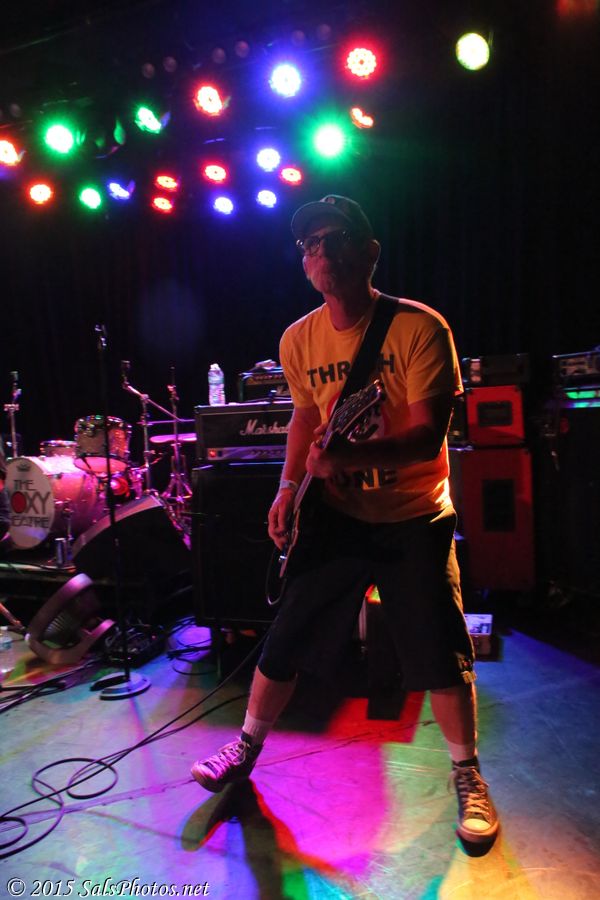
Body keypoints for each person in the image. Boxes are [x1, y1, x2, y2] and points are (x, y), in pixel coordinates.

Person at [192, 194, 499, 844]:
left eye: (336, 239)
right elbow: (305, 417)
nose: (322, 251)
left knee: (440, 652)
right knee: (286, 636)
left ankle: (467, 773)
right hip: (338, 516)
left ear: (370, 253)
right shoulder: (297, 339)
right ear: (303, 263)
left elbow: (427, 437)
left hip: (413, 515)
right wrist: (287, 487)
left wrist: (350, 458)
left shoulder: (420, 328)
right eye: (311, 243)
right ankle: (245, 747)